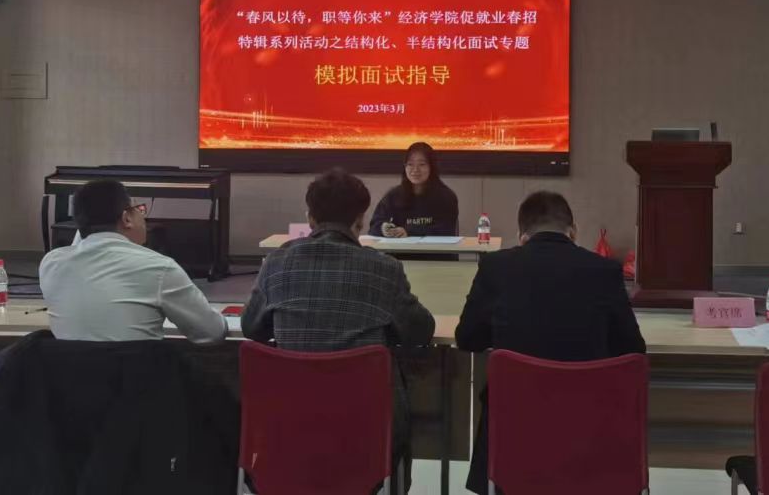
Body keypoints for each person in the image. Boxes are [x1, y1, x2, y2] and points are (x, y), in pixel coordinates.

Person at [242, 168, 435, 489]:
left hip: (289, 426)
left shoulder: (277, 263)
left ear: (310, 218)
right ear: (360, 220)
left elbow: (251, 328)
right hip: (366, 431)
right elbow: (421, 332)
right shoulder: (383, 269)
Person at [455, 190, 647, 495]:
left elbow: (467, 337)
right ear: (573, 231)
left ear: (522, 235)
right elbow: (632, 347)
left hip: (514, 431)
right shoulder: (604, 271)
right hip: (588, 432)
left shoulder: (496, 266)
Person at [39, 179, 226, 343]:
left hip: (70, 373)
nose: (143, 216)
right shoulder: (159, 267)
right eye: (139, 210)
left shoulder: (51, 264)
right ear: (126, 218)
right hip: (139, 373)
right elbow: (212, 333)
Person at [369, 142, 459, 238]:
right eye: (410, 164)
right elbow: (374, 225)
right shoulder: (393, 196)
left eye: (422, 164)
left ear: (431, 167)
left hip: (433, 248)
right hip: (399, 247)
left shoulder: (446, 197)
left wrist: (409, 232)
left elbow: (446, 229)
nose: (415, 169)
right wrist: (383, 228)